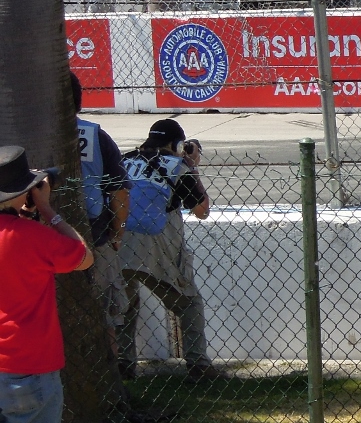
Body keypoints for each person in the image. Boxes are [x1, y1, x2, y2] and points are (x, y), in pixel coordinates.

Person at [118, 119, 220, 381]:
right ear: (176, 144)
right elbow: (202, 210)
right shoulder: (177, 165)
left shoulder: (125, 160)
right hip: (158, 243)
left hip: (118, 240)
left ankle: (123, 365)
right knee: (188, 302)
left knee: (125, 303)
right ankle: (198, 365)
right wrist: (192, 167)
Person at [0, 146, 94, 423]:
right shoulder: (34, 237)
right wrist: (46, 208)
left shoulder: (25, 233)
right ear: (24, 191)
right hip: (28, 364)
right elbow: (84, 257)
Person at [73, 73, 130, 355]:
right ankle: (110, 370)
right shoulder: (96, 134)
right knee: (106, 309)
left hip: (43, 234)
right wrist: (117, 234)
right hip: (95, 233)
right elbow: (119, 193)